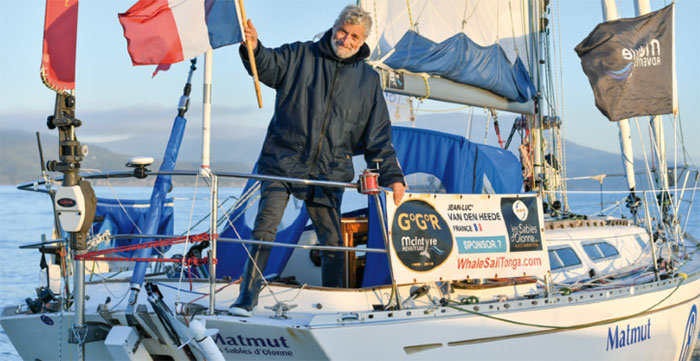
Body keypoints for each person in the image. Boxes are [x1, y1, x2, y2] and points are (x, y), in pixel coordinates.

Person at [229, 5, 405, 317]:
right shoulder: (301, 55)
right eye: (342, 31)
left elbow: (378, 136)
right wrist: (254, 47)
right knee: (264, 229)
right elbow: (268, 65)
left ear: (362, 40)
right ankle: (247, 297)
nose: (346, 39)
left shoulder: (368, 81)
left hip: (329, 170)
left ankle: (335, 304)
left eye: (354, 36)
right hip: (282, 161)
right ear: (334, 26)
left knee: (333, 241)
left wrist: (392, 175)